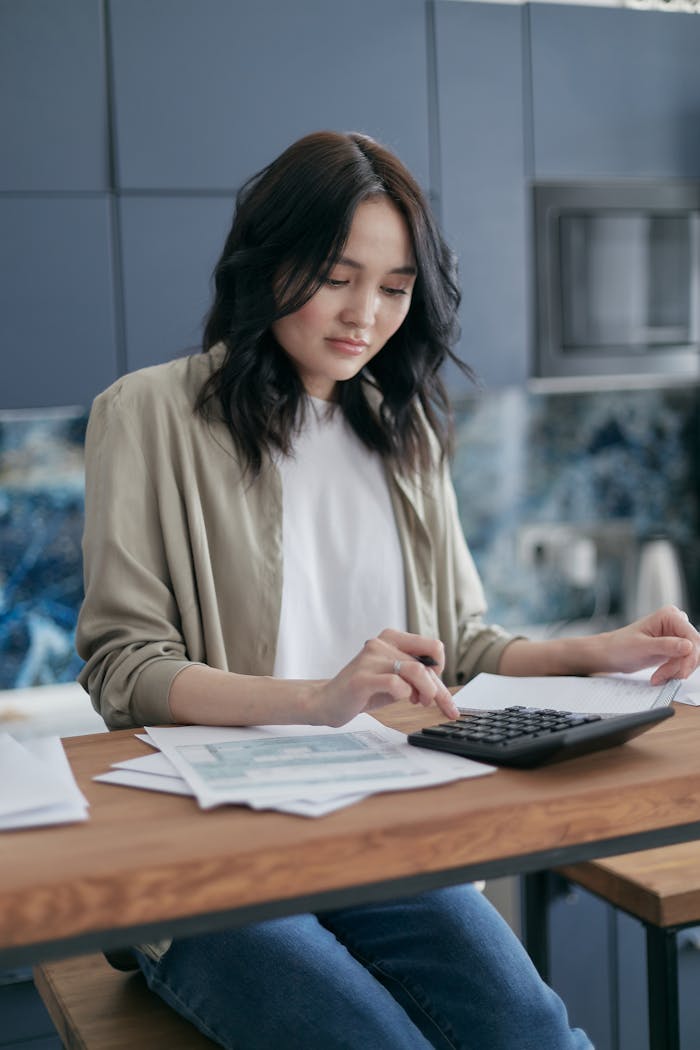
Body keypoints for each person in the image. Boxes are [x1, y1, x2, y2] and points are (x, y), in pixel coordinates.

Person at [76, 130, 700, 1050]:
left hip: (380, 832)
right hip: (212, 859)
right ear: (268, 257)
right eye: (336, 275)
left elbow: (463, 645)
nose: (364, 313)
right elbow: (124, 669)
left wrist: (597, 651)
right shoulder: (148, 413)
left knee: (538, 1032)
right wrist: (319, 700)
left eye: (396, 288)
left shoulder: (402, 430)